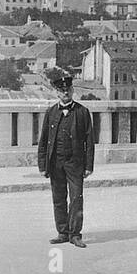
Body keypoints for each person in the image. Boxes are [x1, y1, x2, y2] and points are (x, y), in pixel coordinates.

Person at [36, 73, 94, 248]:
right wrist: (42, 165)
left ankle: (75, 234)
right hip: (55, 163)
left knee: (76, 198)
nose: (65, 93)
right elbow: (44, 139)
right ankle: (62, 232)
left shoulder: (83, 112)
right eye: (62, 90)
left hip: (75, 163)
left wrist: (88, 166)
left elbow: (89, 141)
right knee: (59, 198)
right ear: (57, 93)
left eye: (68, 89)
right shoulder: (51, 112)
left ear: (73, 90)